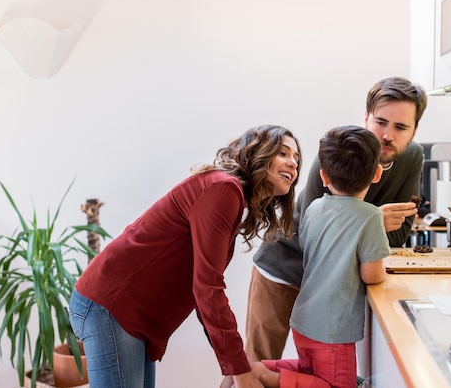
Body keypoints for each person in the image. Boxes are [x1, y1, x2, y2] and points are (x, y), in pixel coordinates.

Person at [69, 125, 302, 388]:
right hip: (112, 305)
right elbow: (208, 288)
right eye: (284, 153)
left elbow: (205, 293)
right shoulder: (223, 190)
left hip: (128, 314)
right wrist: (239, 370)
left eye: (297, 158)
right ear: (258, 152)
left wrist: (233, 364)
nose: (293, 163)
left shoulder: (228, 195)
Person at [245, 76, 428, 362]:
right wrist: (370, 221)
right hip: (283, 267)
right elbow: (313, 234)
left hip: (331, 279)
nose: (388, 135)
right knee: (253, 368)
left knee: (305, 374)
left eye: (401, 127)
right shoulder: (332, 154)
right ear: (365, 117)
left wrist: (369, 226)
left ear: (414, 131)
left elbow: (399, 233)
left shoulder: (413, 157)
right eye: (380, 122)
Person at [224, 125, 390, 388]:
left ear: (323, 176)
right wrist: (383, 273)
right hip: (333, 331)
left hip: (304, 321)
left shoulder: (313, 208)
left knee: (309, 372)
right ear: (377, 173)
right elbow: (371, 274)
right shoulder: (371, 216)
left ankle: (259, 368)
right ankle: (267, 375)